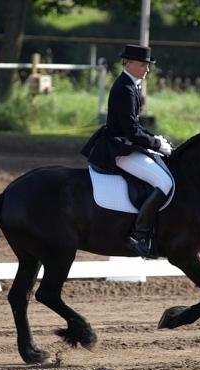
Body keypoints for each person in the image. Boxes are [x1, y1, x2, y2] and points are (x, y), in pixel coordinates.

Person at [81, 44, 173, 259]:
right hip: (119, 149)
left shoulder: (133, 85)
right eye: (143, 65)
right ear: (128, 63)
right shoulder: (124, 87)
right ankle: (138, 236)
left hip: (127, 143)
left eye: (148, 65)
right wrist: (156, 145)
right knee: (165, 182)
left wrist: (155, 138)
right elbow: (131, 131)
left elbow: (135, 125)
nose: (147, 70)